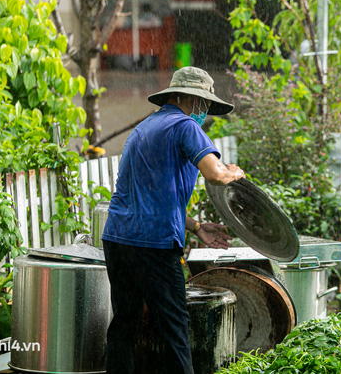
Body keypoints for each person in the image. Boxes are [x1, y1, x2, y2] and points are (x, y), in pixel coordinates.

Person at [101, 66, 245, 374]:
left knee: (125, 324)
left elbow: (152, 199)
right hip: (154, 246)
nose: (204, 110)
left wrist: (195, 227)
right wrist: (235, 172)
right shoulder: (185, 126)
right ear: (186, 98)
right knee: (175, 330)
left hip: (118, 239)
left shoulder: (144, 129)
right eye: (203, 103)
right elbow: (215, 174)